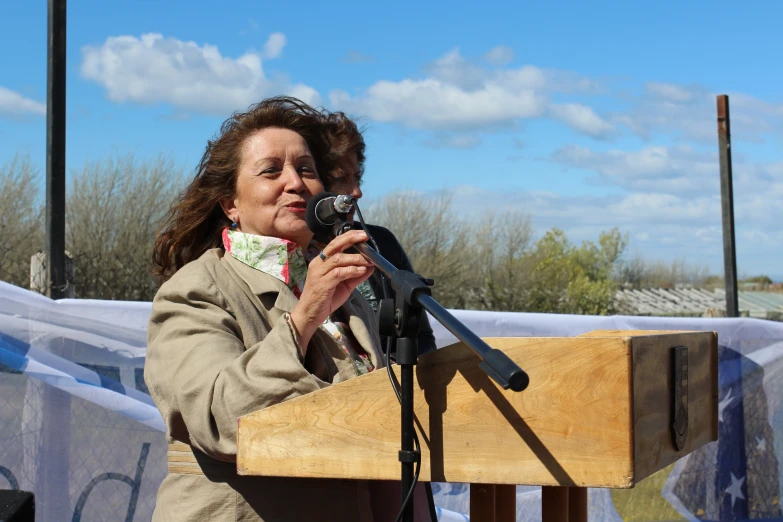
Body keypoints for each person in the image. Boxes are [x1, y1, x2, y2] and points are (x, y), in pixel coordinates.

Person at [145, 96, 432, 521]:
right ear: (231, 204)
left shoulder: (347, 297)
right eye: (270, 170)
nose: (295, 182)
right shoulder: (195, 290)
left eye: (306, 169)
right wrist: (303, 319)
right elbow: (219, 421)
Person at [318, 110, 438, 357]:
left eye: (357, 177)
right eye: (342, 179)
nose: (356, 191)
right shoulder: (292, 255)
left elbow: (422, 339)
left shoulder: (381, 242)